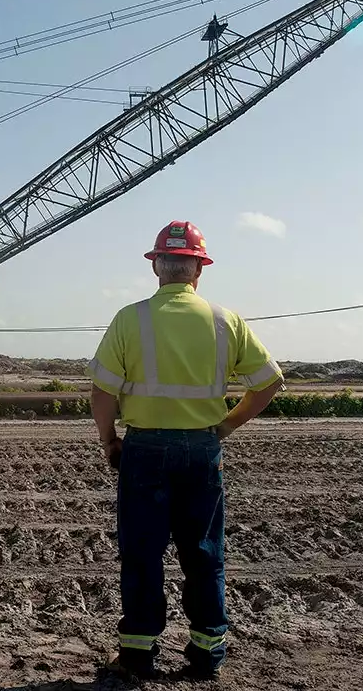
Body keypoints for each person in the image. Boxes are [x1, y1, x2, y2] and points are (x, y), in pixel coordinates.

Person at [88, 220, 284, 681]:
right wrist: (227, 425)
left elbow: (101, 393)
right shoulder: (225, 320)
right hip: (202, 450)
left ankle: (137, 654)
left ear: (157, 266)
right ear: (199, 270)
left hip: (145, 448)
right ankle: (206, 655)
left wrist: (109, 441)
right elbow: (270, 381)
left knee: (141, 552)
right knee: (203, 553)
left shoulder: (129, 319)